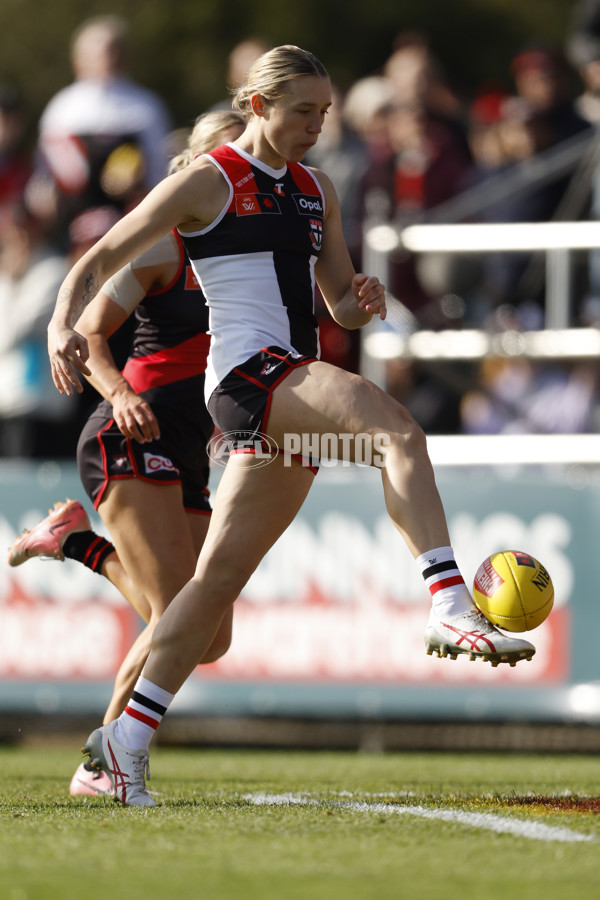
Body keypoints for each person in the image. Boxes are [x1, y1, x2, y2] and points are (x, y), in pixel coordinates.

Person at [47, 45, 536, 807]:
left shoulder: (317, 189)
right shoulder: (207, 180)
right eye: (303, 110)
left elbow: (335, 300)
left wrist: (359, 299)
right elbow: (105, 248)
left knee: (214, 585)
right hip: (250, 381)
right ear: (258, 106)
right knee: (397, 432)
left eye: (324, 111)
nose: (316, 124)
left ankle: (121, 744)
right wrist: (59, 322)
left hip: (287, 400)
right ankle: (448, 602)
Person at [9, 109, 246, 797]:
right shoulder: (164, 241)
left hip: (189, 447)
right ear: (195, 167)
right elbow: (88, 334)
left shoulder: (257, 256)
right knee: (175, 614)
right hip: (129, 434)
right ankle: (101, 765)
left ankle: (75, 541)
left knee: (210, 635)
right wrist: (115, 394)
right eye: (224, 157)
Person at [34, 14, 171, 246]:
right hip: (71, 232)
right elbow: (45, 174)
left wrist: (140, 179)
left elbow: (162, 168)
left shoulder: (145, 106)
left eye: (113, 49)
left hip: (130, 228)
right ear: (77, 58)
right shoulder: (62, 109)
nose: (107, 57)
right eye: (98, 51)